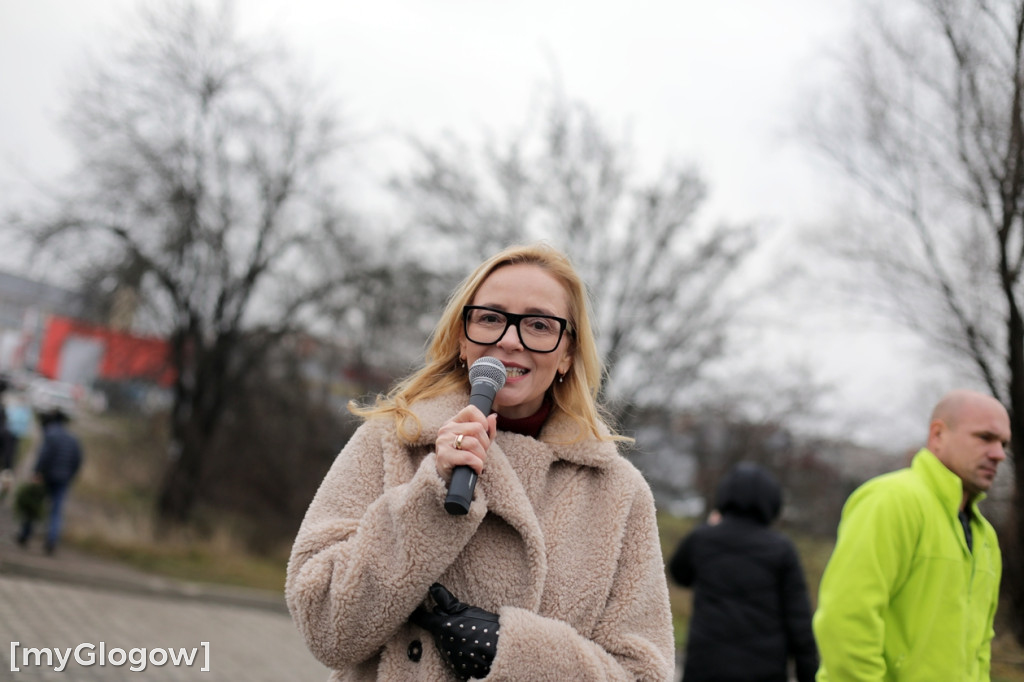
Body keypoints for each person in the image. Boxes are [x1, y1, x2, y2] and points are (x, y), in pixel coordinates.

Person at [286, 243, 675, 681]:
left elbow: (646, 673)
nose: (510, 339)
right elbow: (325, 630)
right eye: (490, 318)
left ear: (567, 352)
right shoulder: (392, 441)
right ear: (462, 337)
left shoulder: (616, 491)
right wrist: (431, 497)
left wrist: (514, 656)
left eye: (539, 324)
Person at [812, 389, 1009, 681]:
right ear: (938, 435)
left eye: (1004, 444)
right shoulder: (891, 500)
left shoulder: (985, 537)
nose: (999, 454)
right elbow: (846, 622)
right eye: (985, 438)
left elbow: (979, 646)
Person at [669, 462, 818, 682]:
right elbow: (799, 621)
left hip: (705, 667)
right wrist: (809, 674)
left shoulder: (702, 538)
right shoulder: (782, 548)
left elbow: (679, 574)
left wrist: (710, 526)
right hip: (764, 671)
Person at [16, 406, 83, 554]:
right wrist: (70, 475)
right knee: (56, 511)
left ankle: (25, 535)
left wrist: (37, 473)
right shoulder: (73, 439)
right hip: (63, 479)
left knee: (34, 506)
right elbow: (78, 460)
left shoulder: (50, 435)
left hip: (46, 477)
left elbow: (43, 456)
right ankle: (52, 540)